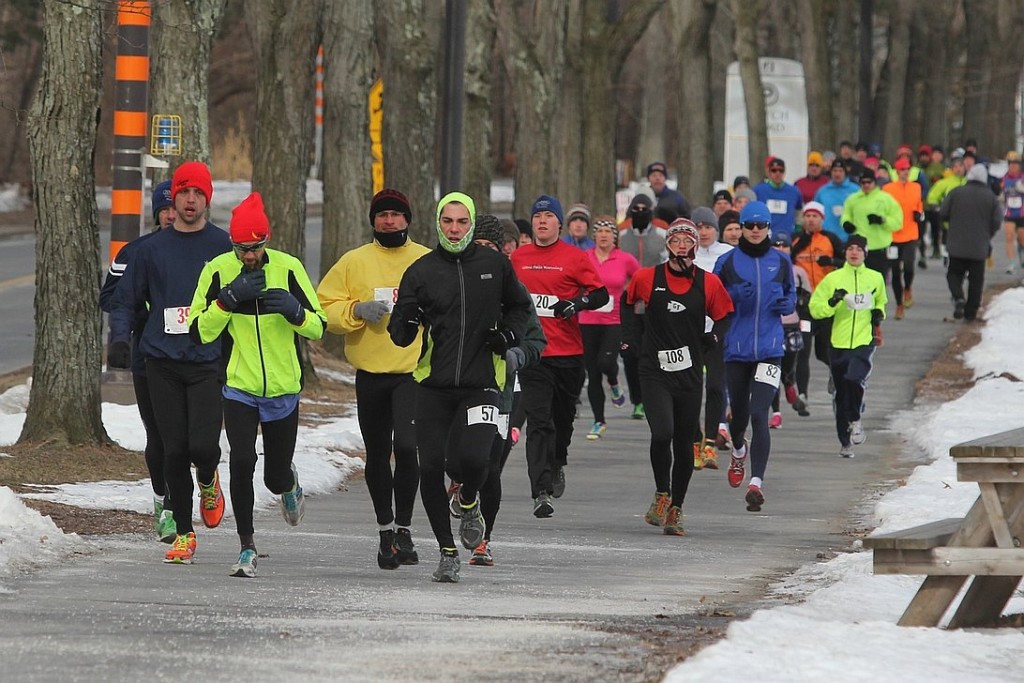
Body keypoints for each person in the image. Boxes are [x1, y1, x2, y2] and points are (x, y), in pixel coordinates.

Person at [388, 192, 533, 583]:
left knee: (476, 460)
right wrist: (409, 318)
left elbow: (522, 308)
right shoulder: (421, 271)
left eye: (462, 222)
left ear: (471, 224)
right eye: (448, 222)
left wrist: (508, 336)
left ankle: (469, 500)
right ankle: (447, 551)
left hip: (482, 382)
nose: (454, 229)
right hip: (433, 386)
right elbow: (399, 335)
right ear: (438, 224)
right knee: (430, 468)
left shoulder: (494, 265)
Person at [188, 192, 325, 578]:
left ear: (267, 241)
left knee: (273, 475)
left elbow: (320, 325)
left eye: (255, 247)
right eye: (241, 248)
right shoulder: (217, 270)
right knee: (243, 463)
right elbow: (197, 331)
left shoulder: (289, 267)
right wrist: (227, 301)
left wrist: (295, 312)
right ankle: (247, 546)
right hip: (239, 386)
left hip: (283, 389)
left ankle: (288, 484)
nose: (249, 255)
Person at [108, 161, 231, 564]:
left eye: (197, 193)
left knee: (203, 446)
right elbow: (125, 299)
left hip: (207, 359)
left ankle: (209, 479)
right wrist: (119, 340)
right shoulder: (151, 250)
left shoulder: (223, 246)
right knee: (173, 449)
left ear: (207, 199)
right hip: (160, 359)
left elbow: (246, 301)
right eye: (183, 193)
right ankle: (183, 531)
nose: (190, 200)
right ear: (172, 199)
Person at [316, 188, 430, 570]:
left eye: (397, 214)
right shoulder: (354, 261)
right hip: (370, 374)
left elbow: (449, 307)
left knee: (410, 448)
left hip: (413, 372)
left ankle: (405, 528)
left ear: (408, 220)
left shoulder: (426, 260)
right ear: (373, 221)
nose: (389, 221)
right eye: (382, 215)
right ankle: (385, 532)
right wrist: (356, 310)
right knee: (378, 454)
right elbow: (323, 307)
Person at [623, 219, 732, 535]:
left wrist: (713, 338)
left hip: (688, 372)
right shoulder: (647, 277)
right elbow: (628, 303)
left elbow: (725, 316)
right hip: (654, 369)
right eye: (676, 240)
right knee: (662, 434)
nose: (682, 245)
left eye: (688, 240)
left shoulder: (708, 283)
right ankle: (661, 492)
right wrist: (628, 338)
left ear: (696, 247)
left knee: (685, 442)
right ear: (667, 245)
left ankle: (676, 508)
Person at [511, 194, 609, 517]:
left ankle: (557, 463)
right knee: (539, 420)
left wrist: (575, 305)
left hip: (569, 352)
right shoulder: (518, 258)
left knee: (562, 420)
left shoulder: (575, 257)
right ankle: (540, 491)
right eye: (537, 216)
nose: (541, 221)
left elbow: (600, 294)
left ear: (558, 223)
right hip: (534, 354)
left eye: (548, 216)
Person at [466, 216, 546, 567]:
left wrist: (518, 354)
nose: (484, 253)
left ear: (503, 251)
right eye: (477, 245)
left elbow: (536, 340)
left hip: (501, 391)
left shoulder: (513, 290)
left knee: (490, 467)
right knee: (465, 463)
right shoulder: (452, 282)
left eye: (491, 247)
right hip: (459, 388)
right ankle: (463, 489)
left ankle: (484, 540)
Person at [100, 180, 176, 543]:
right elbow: (110, 298)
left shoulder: (205, 249)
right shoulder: (135, 252)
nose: (171, 215)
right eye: (164, 209)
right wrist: (141, 310)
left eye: (174, 207)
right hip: (148, 356)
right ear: (156, 212)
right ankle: (164, 504)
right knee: (158, 436)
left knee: (191, 439)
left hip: (196, 358)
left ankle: (201, 482)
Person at [713, 201, 795, 513]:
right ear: (742, 229)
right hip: (736, 350)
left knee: (761, 413)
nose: (756, 231)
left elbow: (791, 296)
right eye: (751, 226)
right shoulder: (728, 261)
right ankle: (737, 449)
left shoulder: (782, 261)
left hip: (771, 350)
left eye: (762, 226)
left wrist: (786, 305)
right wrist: (733, 297)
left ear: (768, 228)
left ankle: (756, 482)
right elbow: (714, 301)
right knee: (740, 416)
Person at [808, 234, 886, 458]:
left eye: (858, 249)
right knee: (841, 393)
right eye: (850, 248)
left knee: (855, 378)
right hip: (838, 342)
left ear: (865, 253)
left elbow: (880, 300)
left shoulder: (875, 277)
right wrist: (833, 302)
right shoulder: (833, 279)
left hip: (864, 340)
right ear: (845, 253)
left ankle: (856, 418)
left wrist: (879, 314)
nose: (854, 252)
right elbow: (816, 308)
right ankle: (845, 441)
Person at [580, 216, 638, 440]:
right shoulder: (584, 258)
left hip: (613, 322)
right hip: (587, 321)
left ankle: (614, 382)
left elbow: (640, 278)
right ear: (594, 236)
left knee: (606, 362)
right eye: (600, 231)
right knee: (593, 373)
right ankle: (598, 421)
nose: (604, 235)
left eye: (608, 231)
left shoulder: (625, 259)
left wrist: (629, 298)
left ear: (615, 237)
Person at [618, 191, 668, 420]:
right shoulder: (622, 235)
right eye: (635, 211)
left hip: (654, 305)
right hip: (629, 305)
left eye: (644, 211)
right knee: (630, 354)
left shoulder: (662, 235)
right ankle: (637, 400)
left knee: (653, 354)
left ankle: (652, 397)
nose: (640, 214)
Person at [690, 206, 733, 468]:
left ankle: (711, 443)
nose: (703, 231)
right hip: (690, 331)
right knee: (692, 388)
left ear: (716, 230)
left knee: (716, 386)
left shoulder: (728, 254)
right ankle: (695, 442)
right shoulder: (685, 254)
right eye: (699, 226)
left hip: (717, 330)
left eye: (707, 227)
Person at [790, 201, 842, 408]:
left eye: (815, 216)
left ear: (822, 219)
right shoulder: (796, 240)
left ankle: (834, 373)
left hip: (826, 305)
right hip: (804, 306)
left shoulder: (830, 239)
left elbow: (847, 262)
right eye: (807, 216)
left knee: (823, 351)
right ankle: (803, 395)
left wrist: (831, 262)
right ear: (803, 219)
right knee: (803, 350)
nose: (811, 220)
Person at [941, 165, 1003, 322]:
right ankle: (971, 311)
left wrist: (952, 226)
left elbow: (943, 213)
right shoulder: (990, 197)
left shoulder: (956, 193)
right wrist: (988, 233)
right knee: (976, 280)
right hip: (979, 247)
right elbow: (997, 220)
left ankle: (958, 298)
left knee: (954, 274)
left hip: (956, 245)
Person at [840, 169, 903, 282]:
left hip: (879, 247)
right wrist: (846, 223)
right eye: (863, 182)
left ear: (875, 182)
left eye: (869, 182)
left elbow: (898, 222)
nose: (866, 185)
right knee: (857, 282)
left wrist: (882, 220)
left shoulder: (886, 199)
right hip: (859, 247)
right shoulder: (853, 199)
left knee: (877, 282)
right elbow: (846, 215)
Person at [883, 157, 924, 319]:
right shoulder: (887, 189)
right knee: (894, 271)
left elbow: (919, 206)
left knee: (908, 267)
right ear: (896, 172)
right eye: (902, 170)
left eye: (907, 169)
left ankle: (908, 288)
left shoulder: (916, 187)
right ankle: (899, 304)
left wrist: (919, 214)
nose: (905, 173)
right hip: (892, 236)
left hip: (910, 234)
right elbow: (884, 208)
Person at [754, 157, 803, 234]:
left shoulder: (794, 191)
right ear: (769, 172)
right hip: (765, 235)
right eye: (774, 170)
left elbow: (799, 212)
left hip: (787, 235)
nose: (778, 173)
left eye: (781, 170)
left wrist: (798, 229)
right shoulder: (758, 190)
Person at [813, 160, 859, 241]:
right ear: (830, 172)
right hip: (827, 237)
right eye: (835, 171)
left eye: (840, 171)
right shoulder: (822, 191)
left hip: (849, 238)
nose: (837, 174)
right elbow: (815, 212)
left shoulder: (855, 190)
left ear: (845, 172)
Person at [1000, 151, 1024, 274]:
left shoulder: (1023, 177)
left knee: (1021, 237)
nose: (1013, 167)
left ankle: (1021, 250)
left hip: (1022, 213)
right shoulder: (1004, 178)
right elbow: (1001, 194)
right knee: (1009, 237)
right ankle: (1011, 263)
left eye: (1016, 164)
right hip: (1009, 213)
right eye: (1011, 164)